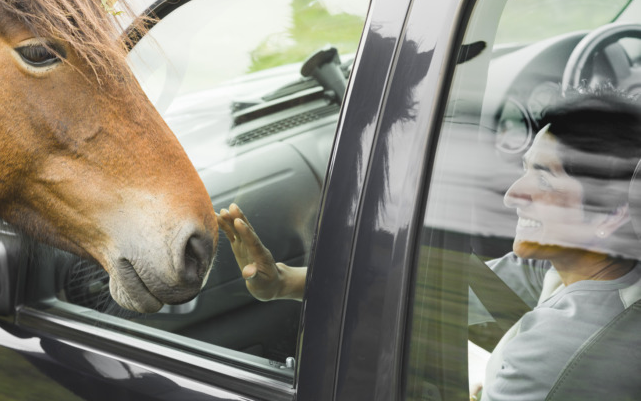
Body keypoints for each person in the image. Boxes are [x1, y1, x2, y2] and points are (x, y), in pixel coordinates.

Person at [218, 89, 641, 399]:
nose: (514, 193)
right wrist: (288, 282)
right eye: (524, 169)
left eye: (544, 178)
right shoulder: (587, 268)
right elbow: (442, 290)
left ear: (611, 214)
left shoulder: (547, 356)